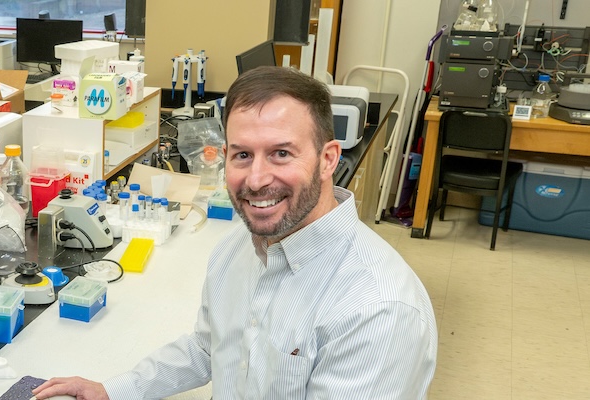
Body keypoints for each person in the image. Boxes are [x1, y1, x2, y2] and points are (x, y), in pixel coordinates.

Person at [33, 67, 437, 399]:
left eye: (281, 153)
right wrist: (113, 391)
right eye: (243, 155)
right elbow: (210, 348)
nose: (256, 180)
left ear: (328, 159)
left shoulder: (378, 310)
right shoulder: (237, 250)